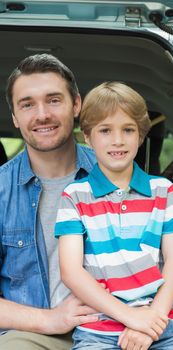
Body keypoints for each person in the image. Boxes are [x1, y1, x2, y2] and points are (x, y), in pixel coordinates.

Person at [55, 82, 173, 350]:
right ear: (87, 136)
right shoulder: (74, 196)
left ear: (141, 136)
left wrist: (152, 322)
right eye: (105, 130)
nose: (117, 140)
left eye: (128, 130)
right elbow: (71, 272)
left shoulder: (163, 191)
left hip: (162, 324)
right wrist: (131, 317)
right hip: (98, 330)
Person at [0, 53, 99, 350]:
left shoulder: (118, 176)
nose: (42, 114)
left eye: (54, 100)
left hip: (114, 328)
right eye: (27, 104)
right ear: (15, 118)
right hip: (33, 334)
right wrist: (52, 320)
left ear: (76, 105)